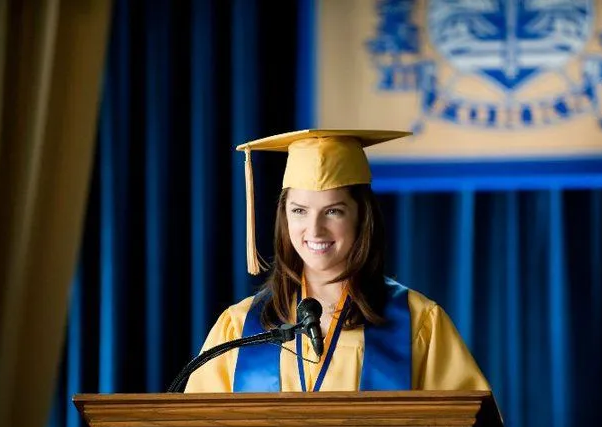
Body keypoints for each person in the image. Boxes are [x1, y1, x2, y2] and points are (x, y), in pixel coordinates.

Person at [184, 129, 490, 393]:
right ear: (284, 216)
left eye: (333, 211)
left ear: (361, 216)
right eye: (300, 211)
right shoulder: (239, 327)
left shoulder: (417, 322)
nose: (314, 229)